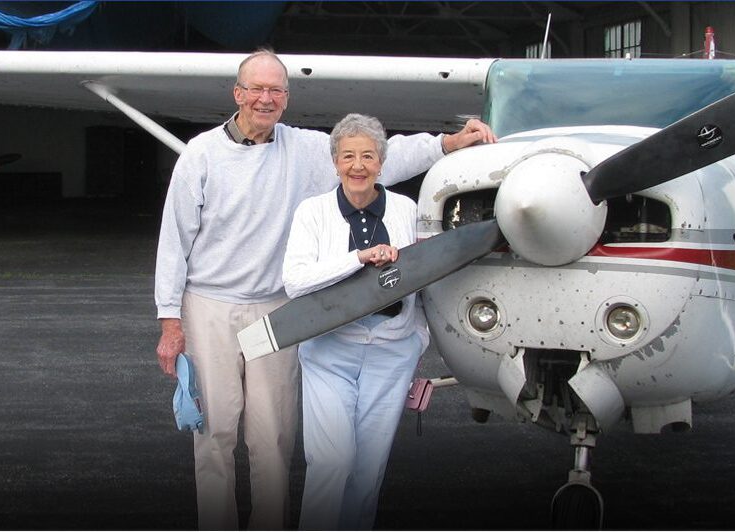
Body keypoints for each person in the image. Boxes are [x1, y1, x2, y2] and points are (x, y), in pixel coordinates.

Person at [154, 48, 495, 530]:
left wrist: (447, 143)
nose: (266, 99)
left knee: (272, 435)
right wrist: (170, 319)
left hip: (279, 308)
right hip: (210, 305)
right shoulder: (200, 155)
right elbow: (174, 240)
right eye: (257, 89)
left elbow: (378, 156)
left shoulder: (303, 149)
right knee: (216, 430)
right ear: (238, 94)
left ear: (286, 98)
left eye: (276, 90)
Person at [282, 113, 429, 530]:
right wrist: (357, 259)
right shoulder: (313, 212)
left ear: (382, 161)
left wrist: (420, 337)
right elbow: (294, 280)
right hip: (330, 350)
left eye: (368, 155)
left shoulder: (407, 209)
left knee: (368, 470)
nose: (358, 165)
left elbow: (426, 274)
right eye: (348, 156)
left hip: (391, 352)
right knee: (332, 460)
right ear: (335, 162)